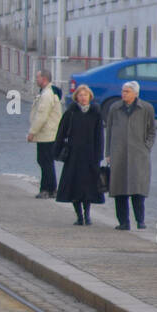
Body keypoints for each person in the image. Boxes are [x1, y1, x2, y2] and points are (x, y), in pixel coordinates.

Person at [105, 80, 156, 230]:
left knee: (137, 188)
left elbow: (152, 131)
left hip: (138, 155)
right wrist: (108, 152)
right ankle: (123, 222)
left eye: (127, 91)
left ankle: (140, 220)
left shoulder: (146, 108)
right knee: (119, 189)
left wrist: (147, 146)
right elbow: (109, 131)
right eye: (123, 91)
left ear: (135, 93)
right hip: (118, 153)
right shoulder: (115, 108)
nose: (123, 94)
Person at [54, 85, 105, 225]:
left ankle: (87, 215)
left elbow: (99, 136)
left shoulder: (96, 113)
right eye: (80, 95)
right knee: (74, 187)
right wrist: (57, 151)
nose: (83, 98)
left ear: (90, 97)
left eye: (85, 95)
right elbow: (61, 132)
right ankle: (79, 216)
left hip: (90, 156)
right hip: (74, 156)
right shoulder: (71, 112)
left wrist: (99, 155)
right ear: (76, 97)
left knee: (88, 187)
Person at [27, 70, 63, 198]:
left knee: (45, 161)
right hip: (48, 134)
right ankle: (51, 189)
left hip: (47, 134)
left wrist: (32, 132)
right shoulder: (48, 92)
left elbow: (41, 116)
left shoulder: (47, 94)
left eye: (37, 77)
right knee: (45, 161)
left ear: (44, 79)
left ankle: (47, 189)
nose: (36, 79)